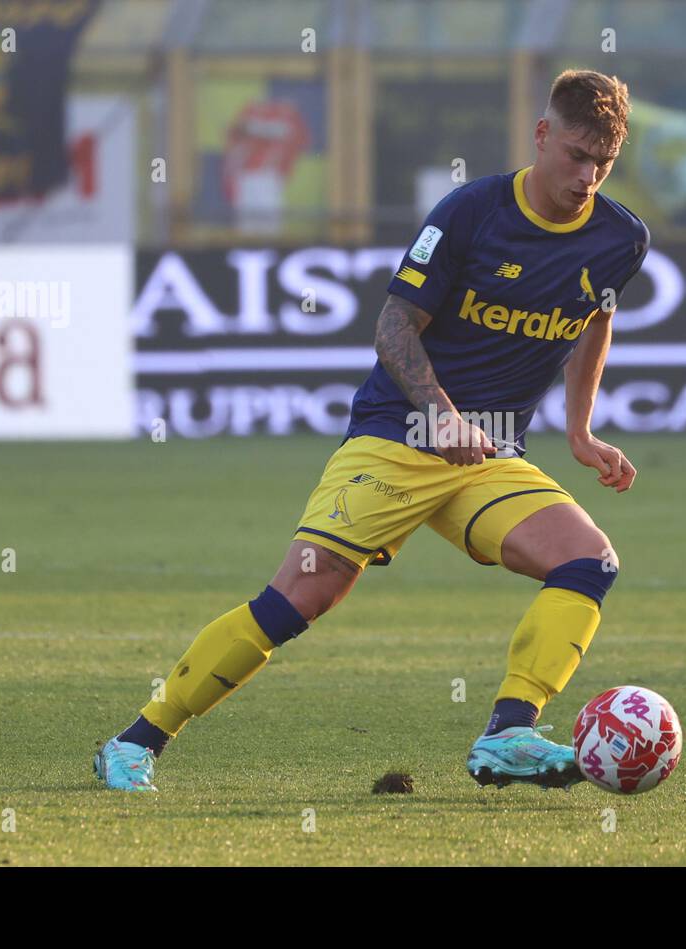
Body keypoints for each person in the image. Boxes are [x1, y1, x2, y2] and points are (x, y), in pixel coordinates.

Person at [94, 69, 650, 792]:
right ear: (542, 136)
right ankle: (136, 741)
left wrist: (581, 430)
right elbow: (393, 325)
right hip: (397, 437)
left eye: (603, 163)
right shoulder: (471, 211)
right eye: (576, 155)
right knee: (297, 601)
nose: (587, 176)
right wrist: (438, 414)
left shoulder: (618, 238)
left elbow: (594, 320)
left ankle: (508, 731)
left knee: (588, 560)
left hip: (486, 455)